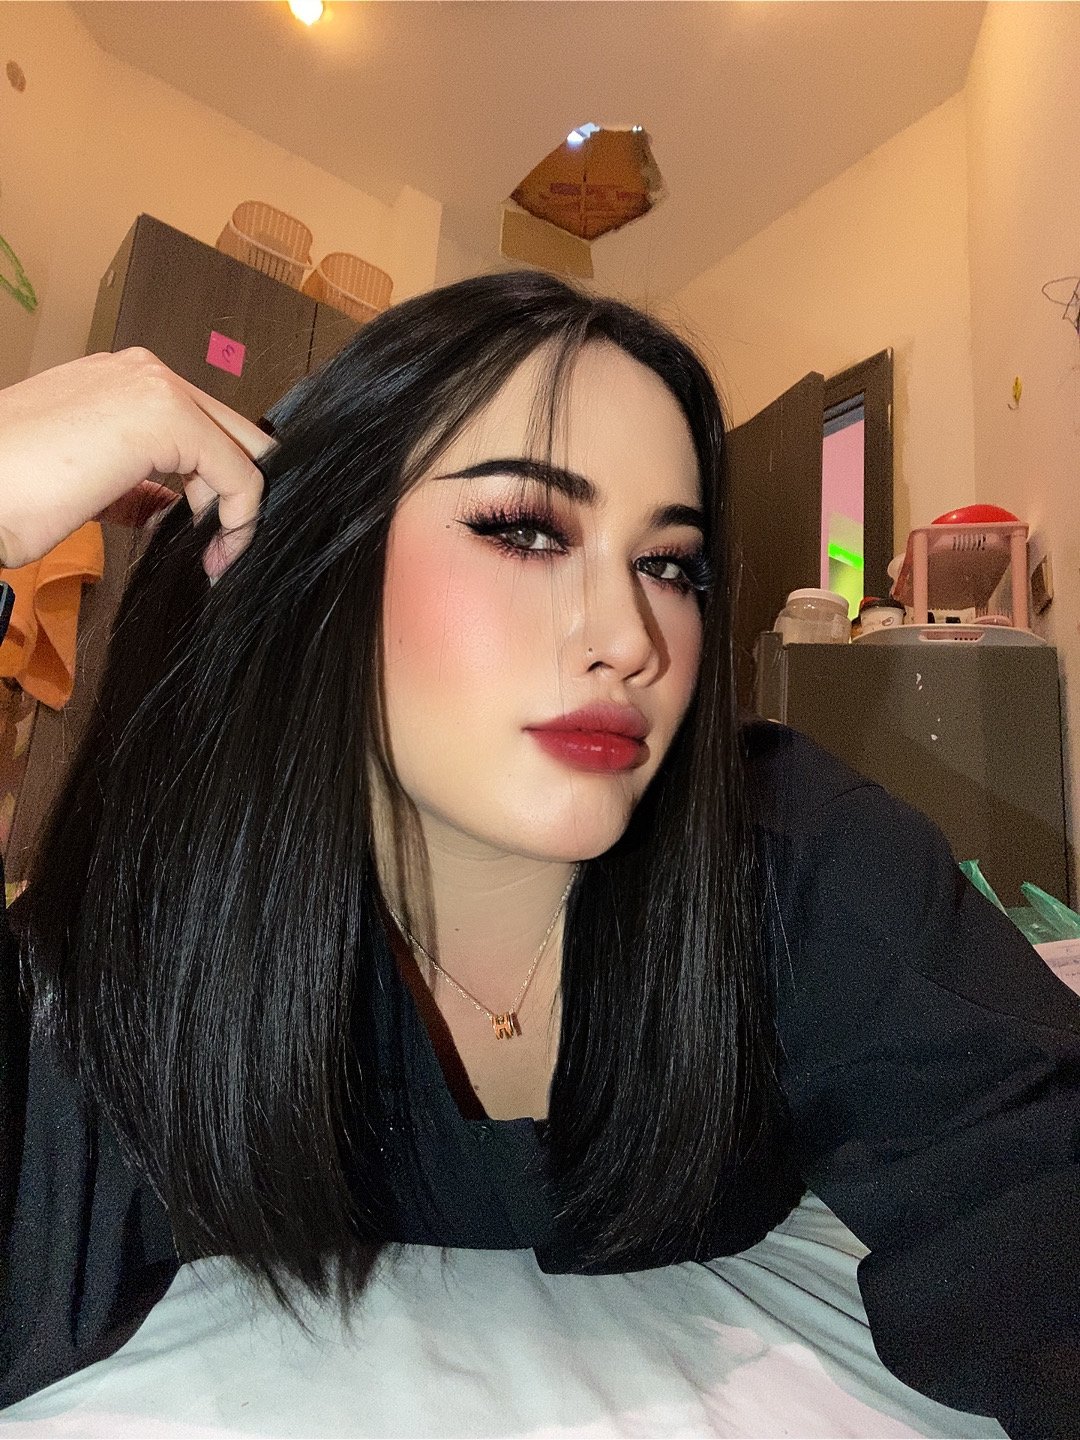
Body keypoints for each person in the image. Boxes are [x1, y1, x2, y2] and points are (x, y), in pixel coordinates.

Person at [0, 272, 1077, 1436]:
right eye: (524, 529)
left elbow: (1036, 1192)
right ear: (304, 572)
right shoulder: (164, 940)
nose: (629, 638)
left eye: (671, 565)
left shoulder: (799, 858)